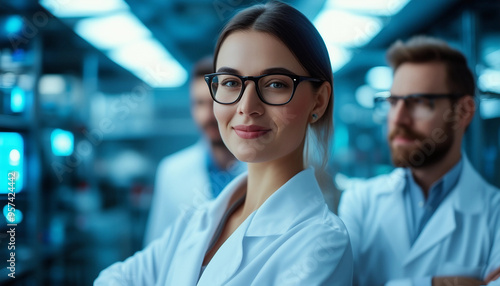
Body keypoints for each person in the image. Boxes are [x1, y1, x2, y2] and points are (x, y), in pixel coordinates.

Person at [94, 1, 352, 285]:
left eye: (276, 83)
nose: (246, 106)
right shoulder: (198, 221)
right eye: (230, 82)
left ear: (319, 100)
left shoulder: (321, 243)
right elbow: (114, 279)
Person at [339, 36, 500, 286]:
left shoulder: (495, 214)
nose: (398, 119)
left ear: (463, 111)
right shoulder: (360, 201)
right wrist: (436, 283)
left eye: (419, 102)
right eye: (392, 102)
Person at [143, 56, 245, 246]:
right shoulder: (171, 171)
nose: (208, 115)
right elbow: (156, 247)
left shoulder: (264, 168)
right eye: (199, 103)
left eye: (216, 101)